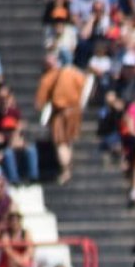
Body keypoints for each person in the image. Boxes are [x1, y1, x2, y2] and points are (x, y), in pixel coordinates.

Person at [35, 55, 87, 184]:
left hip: (60, 111)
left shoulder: (48, 78)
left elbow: (39, 103)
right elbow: (85, 87)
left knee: (61, 143)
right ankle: (68, 166)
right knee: (69, 141)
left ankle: (66, 170)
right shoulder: (74, 73)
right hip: (75, 110)